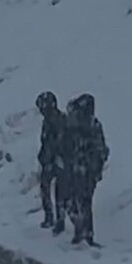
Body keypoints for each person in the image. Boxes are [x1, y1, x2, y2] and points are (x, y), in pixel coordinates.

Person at [58, 93, 109, 246]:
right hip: (73, 169)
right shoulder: (72, 125)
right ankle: (80, 230)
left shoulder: (93, 126)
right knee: (71, 200)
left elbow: (101, 150)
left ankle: (85, 234)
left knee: (84, 201)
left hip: (86, 170)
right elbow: (63, 144)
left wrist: (94, 166)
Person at [35, 91, 68, 232]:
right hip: (49, 160)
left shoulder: (60, 121)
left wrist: (54, 157)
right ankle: (50, 217)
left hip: (59, 160)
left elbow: (59, 142)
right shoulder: (47, 121)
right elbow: (45, 142)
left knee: (59, 192)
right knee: (46, 188)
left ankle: (59, 220)